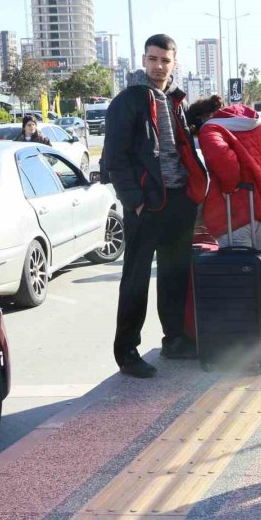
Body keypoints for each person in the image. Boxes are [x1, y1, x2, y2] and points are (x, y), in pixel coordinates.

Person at [104, 34, 209, 378]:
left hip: (178, 199)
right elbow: (115, 158)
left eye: (165, 60)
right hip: (146, 205)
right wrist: (133, 202)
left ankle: (175, 339)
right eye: (153, 59)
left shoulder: (175, 100)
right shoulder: (128, 100)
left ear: (174, 63)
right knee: (135, 279)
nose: (158, 66)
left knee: (174, 273)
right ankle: (127, 351)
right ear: (143, 60)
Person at [199, 104, 261, 252]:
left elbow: (220, 156)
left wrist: (230, 185)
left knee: (239, 269)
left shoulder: (211, 129)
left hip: (236, 212)